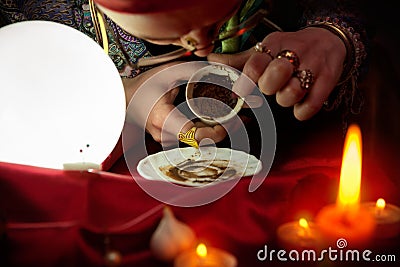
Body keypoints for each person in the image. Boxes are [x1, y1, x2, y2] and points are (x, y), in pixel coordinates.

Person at [0, 0, 369, 156]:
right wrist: (116, 99)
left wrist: (333, 37)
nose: (203, 45)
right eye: (180, 34)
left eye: (216, 17)